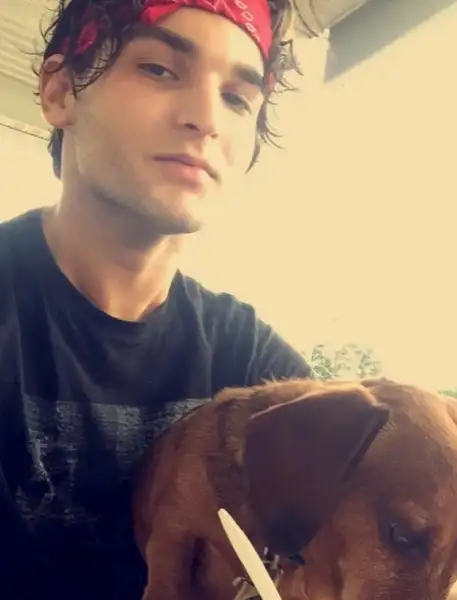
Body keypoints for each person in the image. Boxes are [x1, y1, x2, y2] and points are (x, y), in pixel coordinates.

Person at [0, 0, 312, 597]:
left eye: (237, 98)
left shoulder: (255, 368)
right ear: (61, 92)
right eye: (159, 70)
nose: (206, 118)